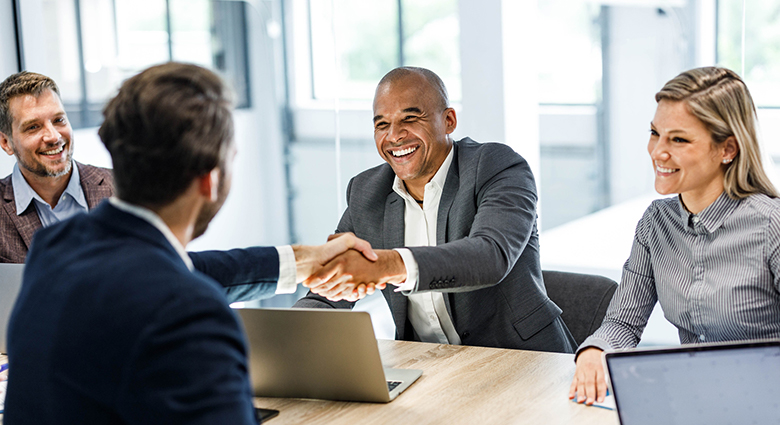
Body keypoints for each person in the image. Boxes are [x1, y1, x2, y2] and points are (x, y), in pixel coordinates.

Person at [3, 63, 377, 424]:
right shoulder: (192, 315)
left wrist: (304, 260)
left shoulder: (57, 248)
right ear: (210, 179)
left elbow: (176, 271)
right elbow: (172, 286)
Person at [294, 66, 575, 353]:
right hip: (430, 368)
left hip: (523, 361)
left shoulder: (496, 166)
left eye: (410, 119)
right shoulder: (367, 192)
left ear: (449, 120)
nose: (394, 136)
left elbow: (490, 255)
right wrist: (285, 338)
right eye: (381, 124)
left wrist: (387, 266)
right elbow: (331, 289)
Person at [569, 66, 780, 405]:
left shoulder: (771, 225)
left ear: (728, 149)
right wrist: (594, 351)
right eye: (655, 133)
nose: (658, 152)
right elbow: (623, 322)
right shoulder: (656, 222)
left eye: (678, 139)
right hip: (694, 398)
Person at [0, 71, 113, 263]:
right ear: (6, 142)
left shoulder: (121, 188)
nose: (53, 137)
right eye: (33, 127)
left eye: (59, 120)